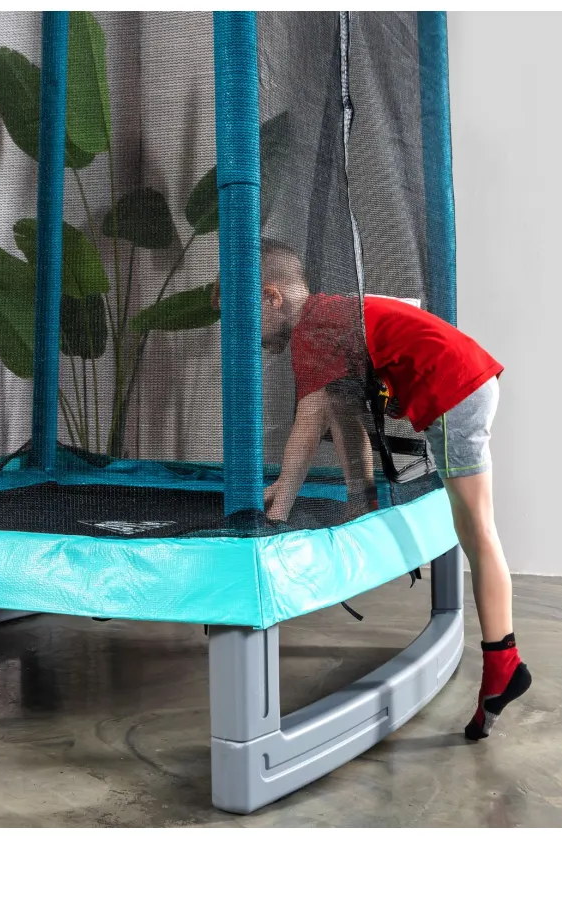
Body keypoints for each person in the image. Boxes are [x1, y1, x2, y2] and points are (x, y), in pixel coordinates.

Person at [214, 241, 531, 741]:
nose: (243, 336)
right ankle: (500, 668)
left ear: (271, 298)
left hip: (456, 389)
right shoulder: (331, 317)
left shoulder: (312, 330)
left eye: (242, 320)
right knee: (474, 527)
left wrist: (278, 507)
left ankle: (504, 662)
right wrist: (360, 503)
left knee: (479, 532)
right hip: (466, 379)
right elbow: (345, 423)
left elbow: (309, 419)